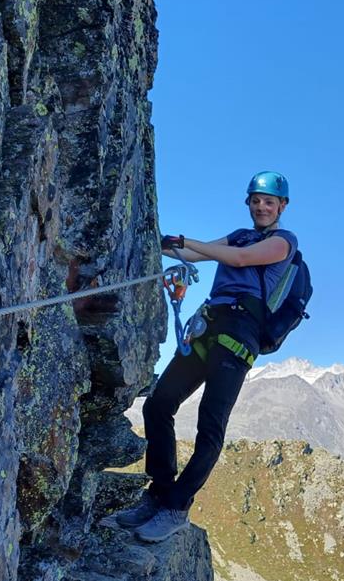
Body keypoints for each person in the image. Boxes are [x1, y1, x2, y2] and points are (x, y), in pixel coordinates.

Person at [114, 171, 299, 542]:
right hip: (210, 324)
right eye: (255, 200)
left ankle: (176, 508)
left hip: (240, 334)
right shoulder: (238, 235)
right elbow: (198, 253)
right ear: (248, 203)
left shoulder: (284, 242)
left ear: (281, 207)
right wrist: (161, 242)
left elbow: (242, 259)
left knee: (210, 426)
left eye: (268, 201)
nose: (261, 207)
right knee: (158, 403)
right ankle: (159, 494)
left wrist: (187, 242)